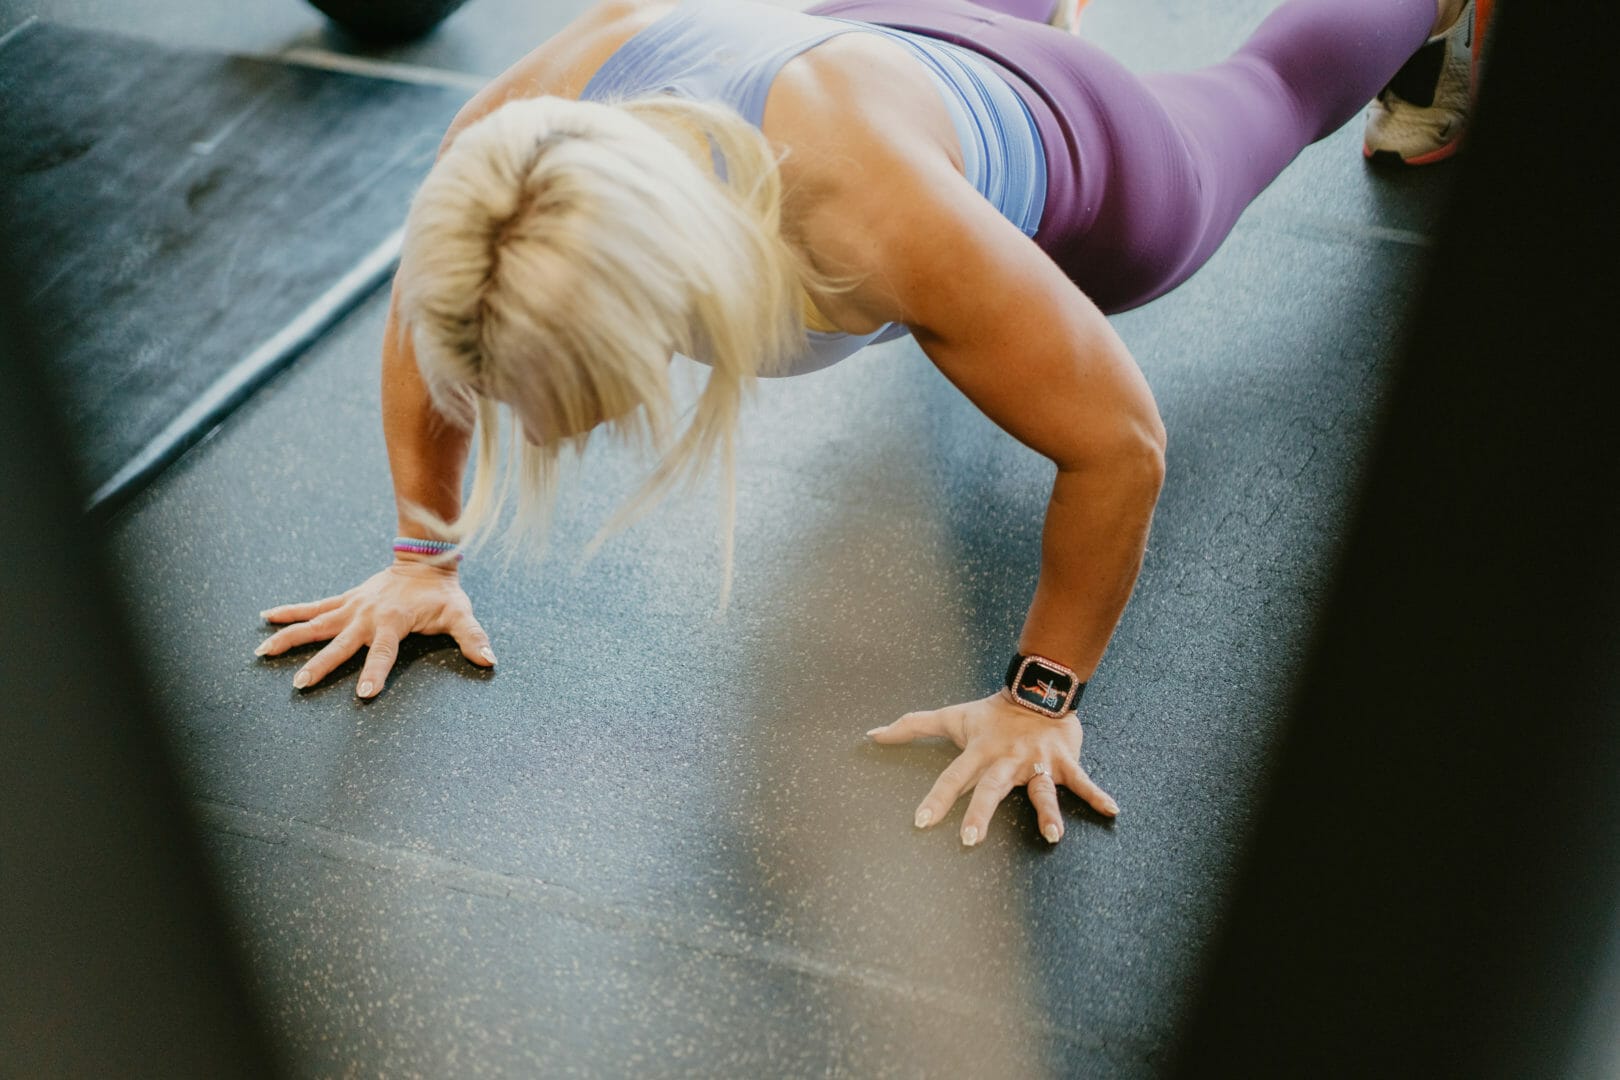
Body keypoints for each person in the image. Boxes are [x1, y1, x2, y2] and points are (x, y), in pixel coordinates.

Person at [256, 0, 1485, 846]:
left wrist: (1037, 702)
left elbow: (1117, 445)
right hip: (861, 37)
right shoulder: (513, 141)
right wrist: (423, 555)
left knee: (1265, 97)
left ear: (667, 302)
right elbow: (434, 317)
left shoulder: (865, 223)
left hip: (1059, 143)